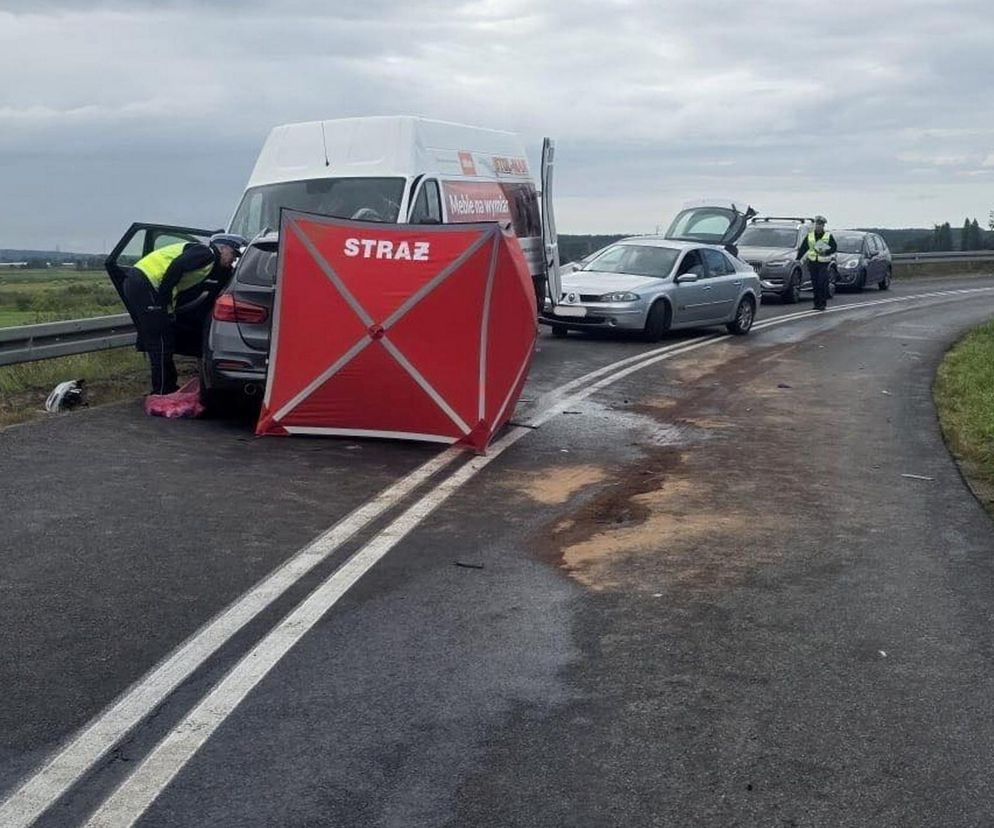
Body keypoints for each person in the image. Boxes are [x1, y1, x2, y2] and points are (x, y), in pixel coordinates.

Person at [123, 233, 246, 394]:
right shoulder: (206, 253)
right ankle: (161, 391)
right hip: (146, 281)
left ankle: (168, 387)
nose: (233, 259)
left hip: (142, 282)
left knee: (164, 340)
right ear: (223, 248)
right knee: (159, 342)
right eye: (233, 254)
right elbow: (177, 266)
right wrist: (163, 299)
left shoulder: (212, 264)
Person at [795, 215, 837, 311]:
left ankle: (822, 303)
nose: (818, 226)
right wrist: (798, 258)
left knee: (822, 283)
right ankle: (816, 303)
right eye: (817, 224)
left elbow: (834, 247)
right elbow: (803, 248)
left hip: (823, 263)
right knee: (815, 284)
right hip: (813, 263)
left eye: (820, 224)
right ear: (815, 225)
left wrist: (826, 251)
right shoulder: (810, 236)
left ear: (823, 226)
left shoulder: (828, 236)